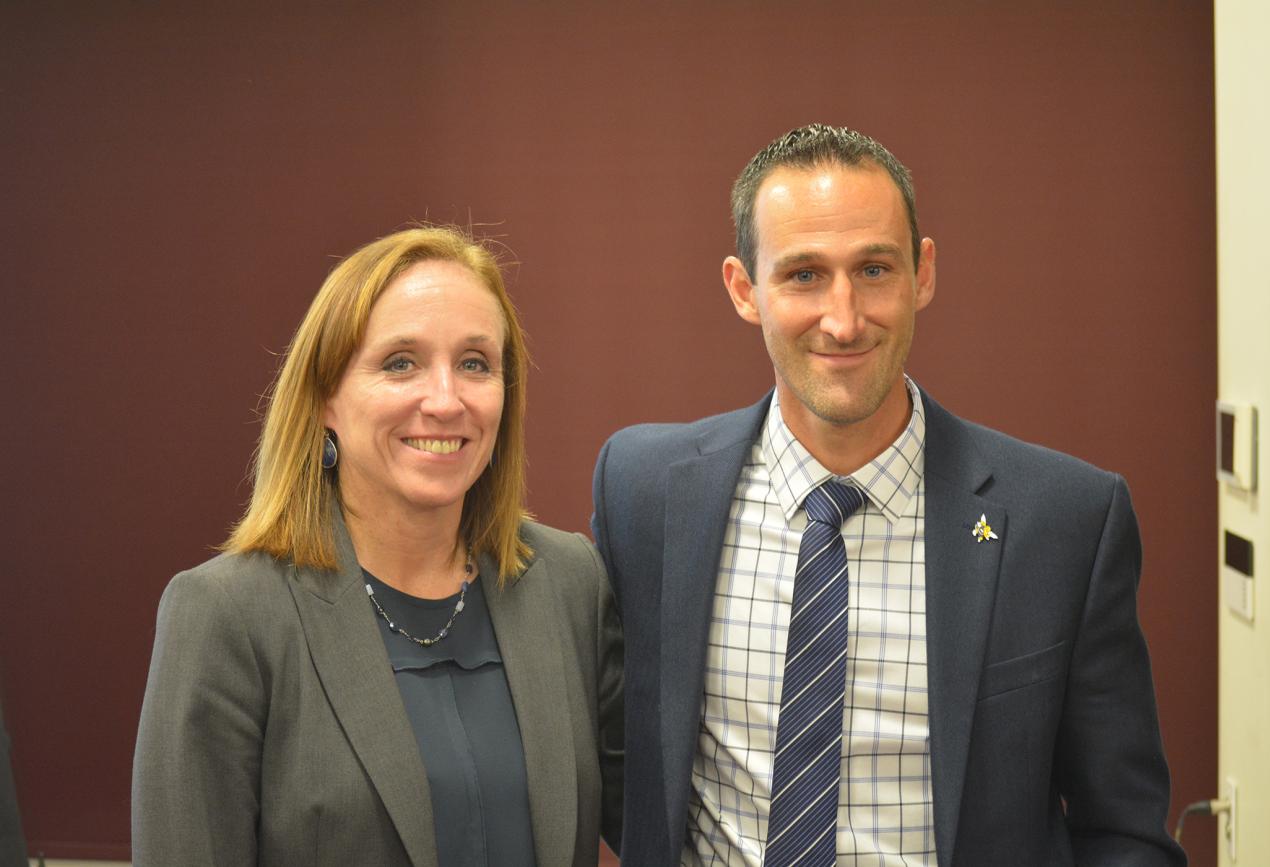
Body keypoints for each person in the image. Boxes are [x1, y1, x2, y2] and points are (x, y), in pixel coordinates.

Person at [592, 125, 1184, 866]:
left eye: (874, 269)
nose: (844, 319)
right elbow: (619, 770)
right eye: (803, 275)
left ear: (923, 272)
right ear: (745, 290)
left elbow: (1124, 831)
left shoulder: (1065, 521)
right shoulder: (644, 492)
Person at [133, 225, 623, 867]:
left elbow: (668, 813)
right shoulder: (228, 615)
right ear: (324, 399)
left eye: (475, 364)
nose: (445, 401)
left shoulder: (567, 583)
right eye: (400, 363)